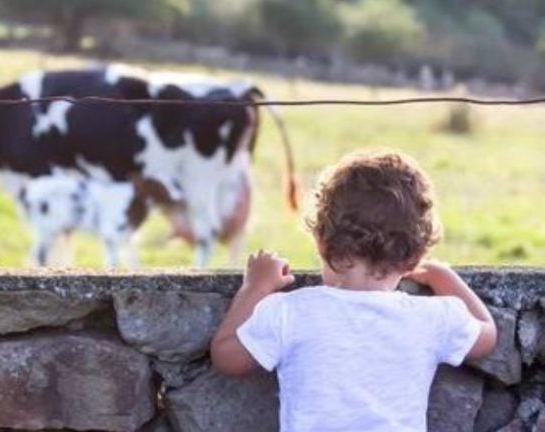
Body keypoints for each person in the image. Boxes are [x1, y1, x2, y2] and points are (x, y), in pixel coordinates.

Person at [210, 151, 497, 432]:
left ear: (321, 241)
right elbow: (487, 336)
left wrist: (256, 286)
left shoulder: (290, 312)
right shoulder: (434, 318)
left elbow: (226, 357)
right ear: (414, 257)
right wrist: (444, 278)